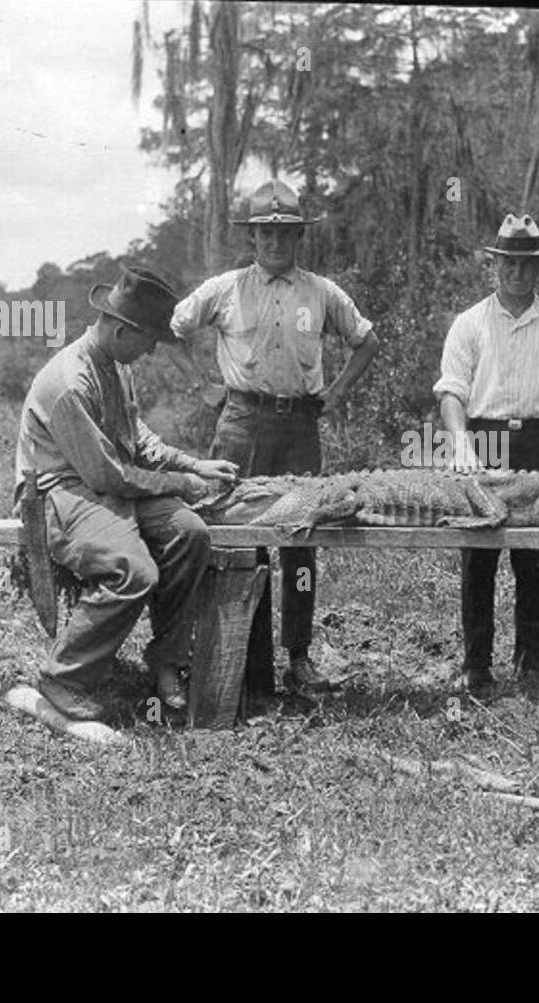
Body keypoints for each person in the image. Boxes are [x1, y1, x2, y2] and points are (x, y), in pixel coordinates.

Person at [171, 180, 380, 695]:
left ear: (298, 238)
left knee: (300, 543)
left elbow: (366, 340)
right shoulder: (225, 289)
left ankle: (300, 657)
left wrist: (334, 393)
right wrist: (204, 386)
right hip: (241, 423)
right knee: (236, 538)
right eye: (266, 232)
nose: (275, 243)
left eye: (285, 234)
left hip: (299, 427)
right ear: (253, 236)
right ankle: (239, 655)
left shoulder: (321, 292)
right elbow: (172, 328)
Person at [14, 266, 240, 721]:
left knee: (189, 533)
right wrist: (182, 483)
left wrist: (191, 463)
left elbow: (134, 434)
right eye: (149, 338)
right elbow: (108, 476)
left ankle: (166, 659)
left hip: (108, 481)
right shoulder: (69, 383)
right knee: (133, 571)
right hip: (60, 491)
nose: (153, 348)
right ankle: (65, 677)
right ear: (121, 329)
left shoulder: (116, 365)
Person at [434, 214, 539, 696]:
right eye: (509, 263)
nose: (517, 273)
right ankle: (476, 665)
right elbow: (451, 392)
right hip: (483, 440)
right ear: (495, 264)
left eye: (527, 264)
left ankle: (531, 665)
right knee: (478, 558)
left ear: (538, 268)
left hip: (535, 441)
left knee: (533, 557)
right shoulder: (469, 323)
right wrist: (460, 442)